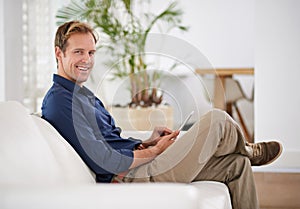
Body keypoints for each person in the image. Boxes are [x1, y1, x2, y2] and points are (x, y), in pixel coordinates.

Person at [42, 20, 282, 209]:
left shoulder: (82, 94)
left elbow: (109, 141)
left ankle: (243, 154)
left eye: (91, 53)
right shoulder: (59, 101)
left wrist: (147, 141)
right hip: (130, 177)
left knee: (236, 165)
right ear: (58, 53)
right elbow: (102, 159)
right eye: (78, 52)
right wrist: (154, 152)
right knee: (217, 119)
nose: (87, 60)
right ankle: (249, 150)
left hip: (142, 165)